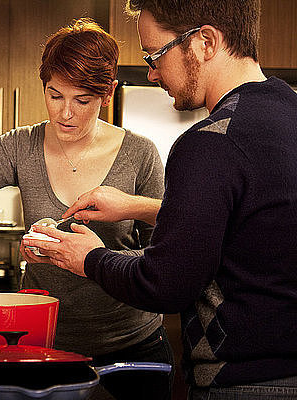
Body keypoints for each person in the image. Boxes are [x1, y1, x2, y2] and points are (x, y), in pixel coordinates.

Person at [23, 1, 297, 399]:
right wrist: (138, 206)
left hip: (243, 382)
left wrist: (88, 258)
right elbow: (248, 223)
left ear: (205, 42)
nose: (152, 73)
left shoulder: (210, 143)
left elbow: (166, 283)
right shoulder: (288, 114)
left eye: (156, 55)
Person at [0, 18, 174, 400]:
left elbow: (164, 258)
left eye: (82, 100)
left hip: (132, 347)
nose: (65, 113)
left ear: (107, 94)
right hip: (45, 349)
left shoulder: (140, 154)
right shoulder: (21, 145)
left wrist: (96, 259)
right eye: (55, 95)